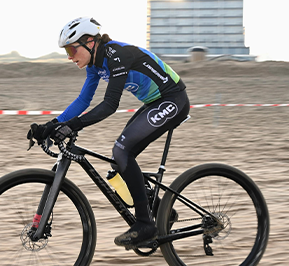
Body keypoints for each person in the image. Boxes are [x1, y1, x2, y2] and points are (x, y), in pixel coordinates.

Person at [27, 17, 190, 249]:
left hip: (173, 100)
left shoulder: (116, 55)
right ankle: (163, 211)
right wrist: (52, 125)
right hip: (154, 102)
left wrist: (72, 126)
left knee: (122, 151)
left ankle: (145, 224)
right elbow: (84, 99)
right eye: (66, 51)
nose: (69, 56)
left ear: (90, 42)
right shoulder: (95, 65)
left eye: (72, 49)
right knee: (119, 159)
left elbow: (109, 105)